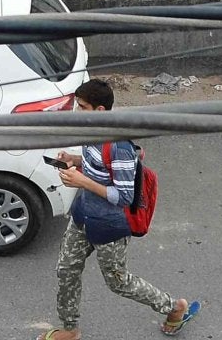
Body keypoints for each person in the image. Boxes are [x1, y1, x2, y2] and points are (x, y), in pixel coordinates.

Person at [46, 78, 196, 340]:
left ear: (99, 110)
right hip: (82, 215)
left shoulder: (120, 146)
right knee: (66, 270)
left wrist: (82, 181)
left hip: (109, 226)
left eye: (81, 106)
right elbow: (97, 164)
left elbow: (124, 197)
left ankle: (175, 308)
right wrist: (74, 161)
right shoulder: (90, 130)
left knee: (118, 282)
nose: (76, 111)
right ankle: (70, 329)